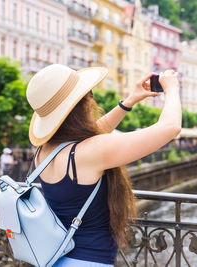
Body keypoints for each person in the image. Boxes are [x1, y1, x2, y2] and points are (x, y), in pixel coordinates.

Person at [26, 64, 181, 266]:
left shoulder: (45, 151)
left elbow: (94, 134)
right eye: (88, 94)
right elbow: (170, 127)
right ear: (81, 104)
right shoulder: (90, 153)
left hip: (56, 259)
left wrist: (129, 101)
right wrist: (172, 89)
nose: (92, 99)